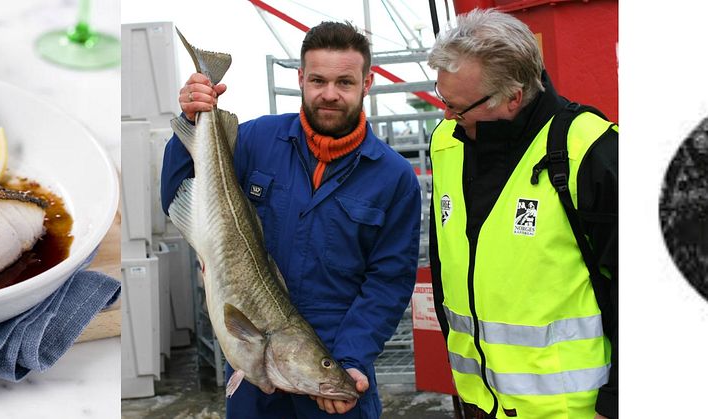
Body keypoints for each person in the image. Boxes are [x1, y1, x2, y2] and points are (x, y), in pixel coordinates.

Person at [161, 21, 422, 418]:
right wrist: (194, 117)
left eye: (345, 83)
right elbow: (179, 191)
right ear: (300, 78)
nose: (329, 94)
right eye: (318, 80)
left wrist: (349, 359)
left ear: (366, 84)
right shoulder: (256, 141)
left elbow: (388, 282)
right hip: (251, 375)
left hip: (335, 364)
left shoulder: (394, 177)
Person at [427, 8, 617, 419]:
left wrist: (616, 403)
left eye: (459, 107)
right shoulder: (446, 143)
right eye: (445, 100)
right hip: (480, 404)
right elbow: (445, 264)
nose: (448, 117)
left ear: (513, 96)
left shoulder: (589, 150)